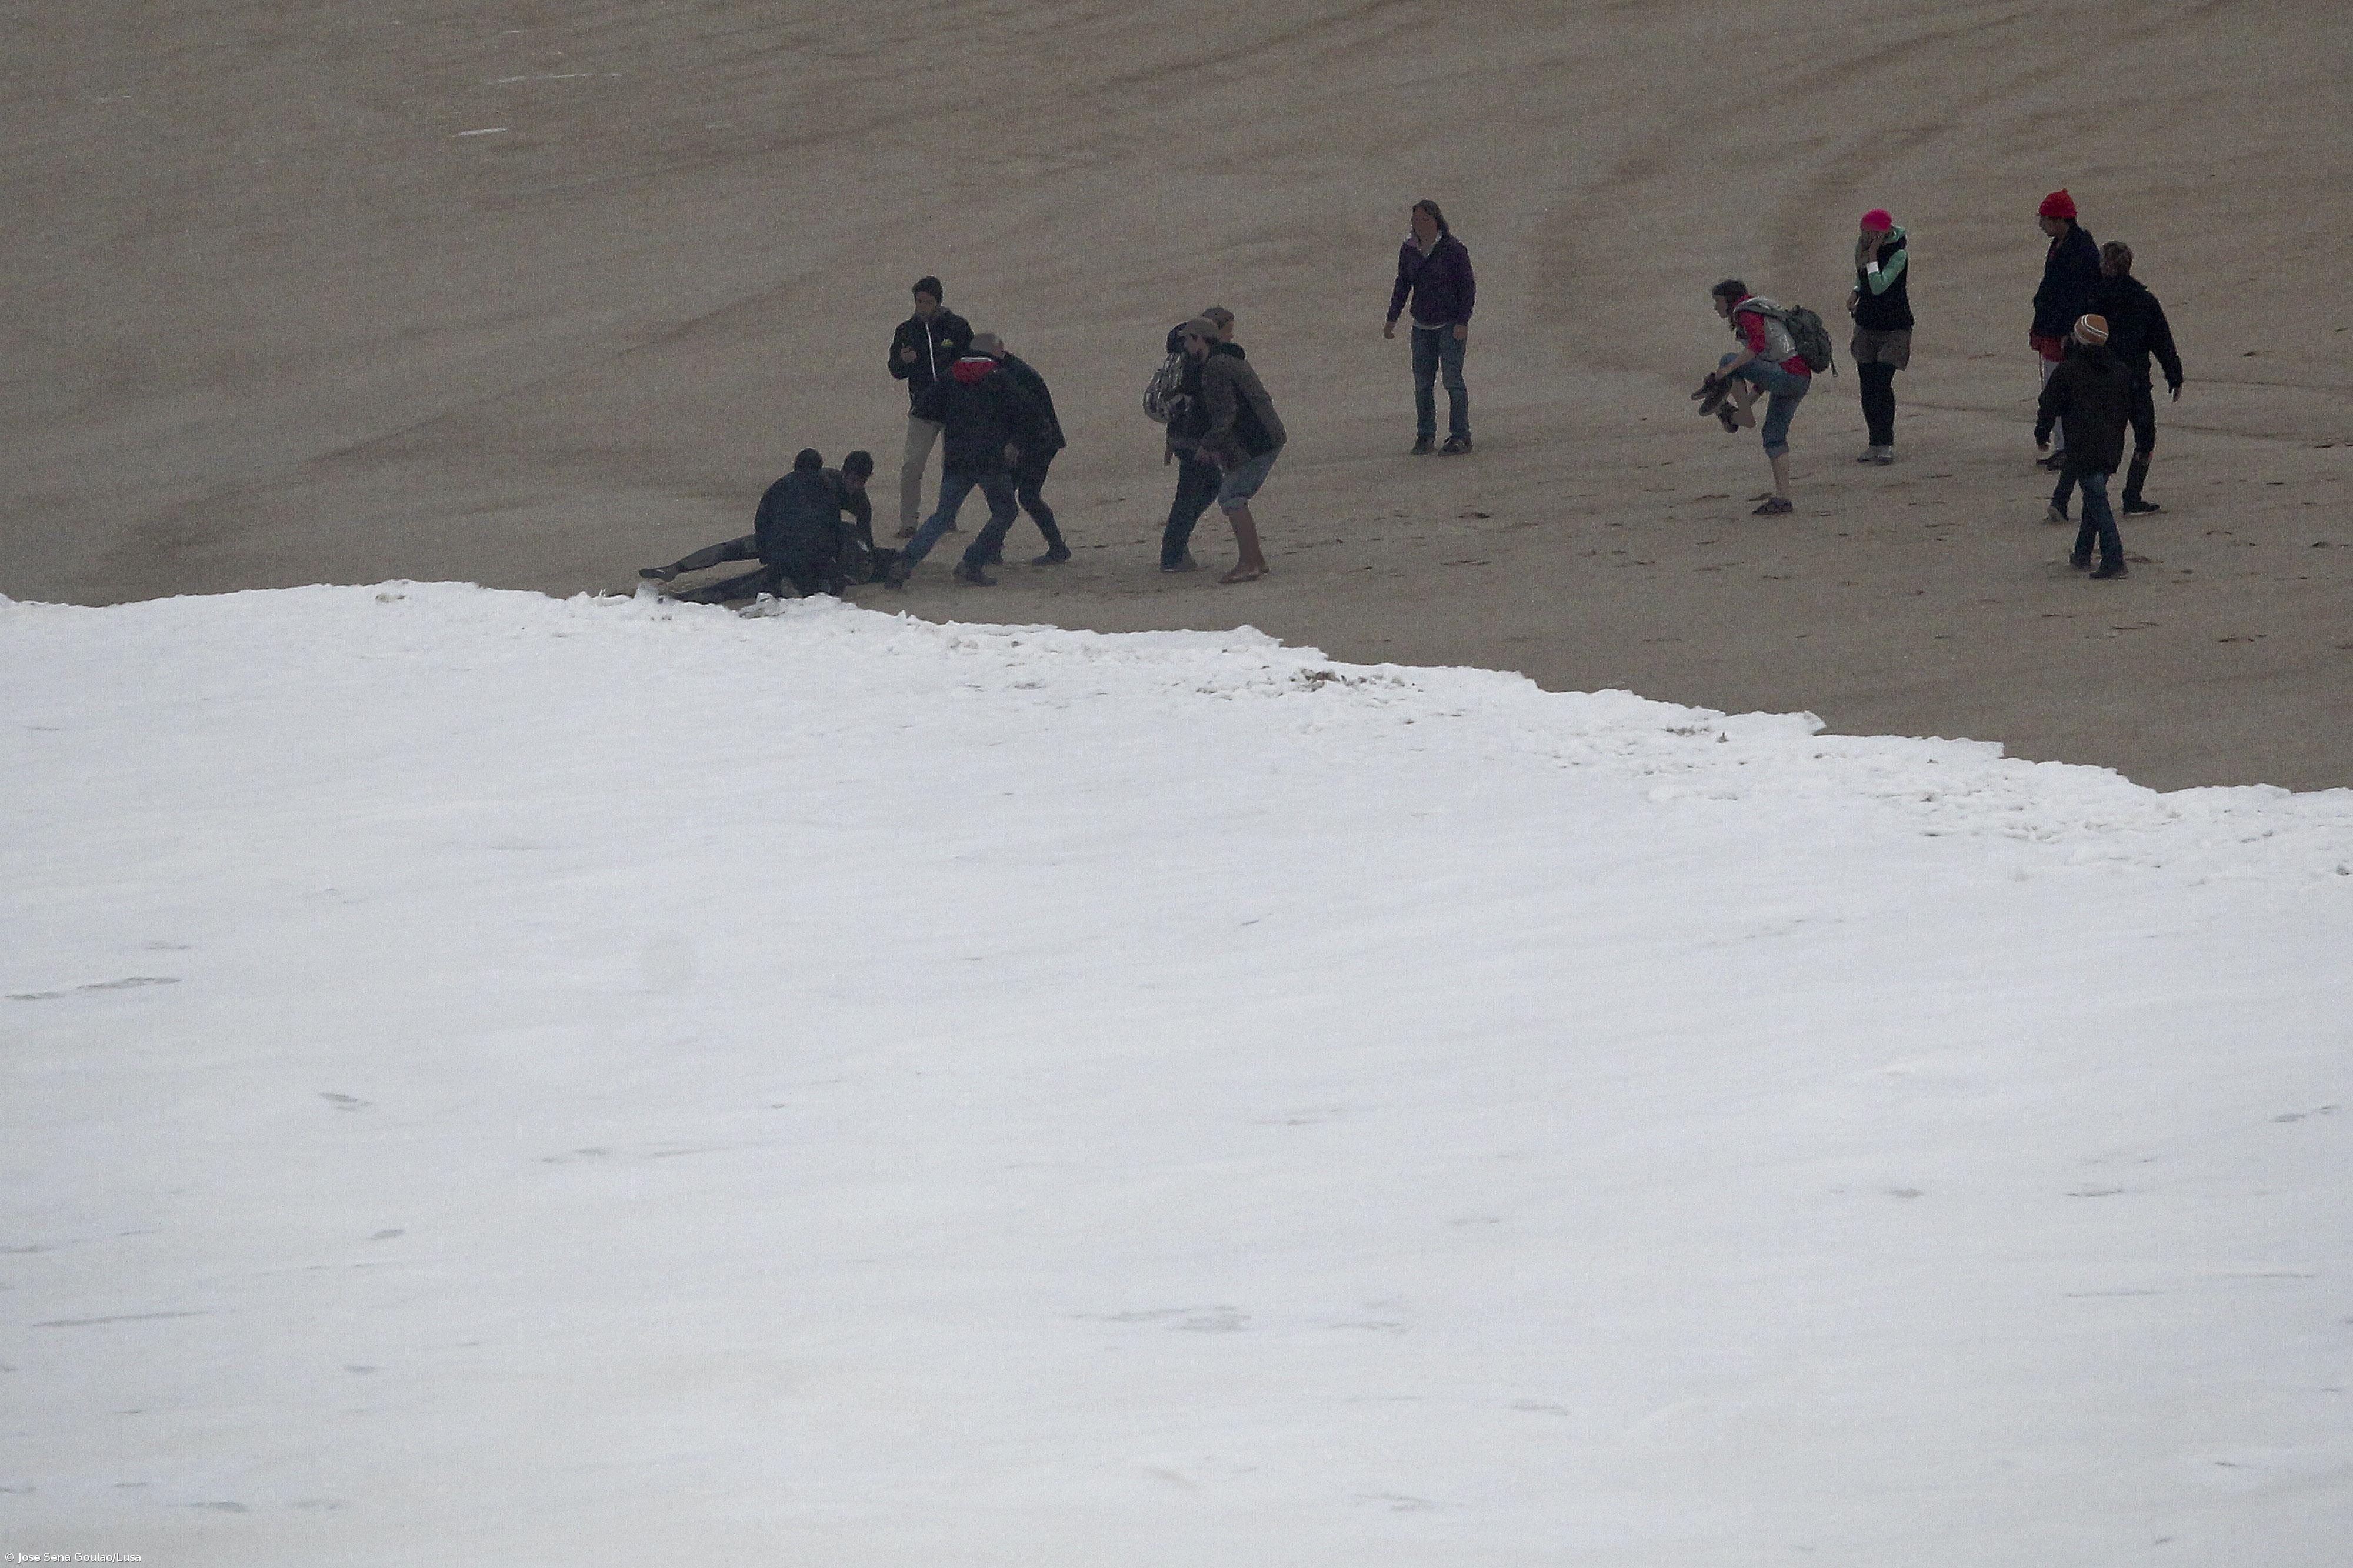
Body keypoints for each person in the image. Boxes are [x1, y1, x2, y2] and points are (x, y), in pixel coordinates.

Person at [887, 333, 1047, 588]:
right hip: (990, 459)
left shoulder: (950, 376)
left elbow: (923, 406)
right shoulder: (999, 377)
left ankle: (904, 563)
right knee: (1005, 512)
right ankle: (972, 563)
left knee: (942, 515)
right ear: (993, 353)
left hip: (956, 457)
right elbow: (1029, 413)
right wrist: (1014, 443)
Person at [639, 450, 876, 600]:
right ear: (843, 472)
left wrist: (765, 541)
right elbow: (832, 532)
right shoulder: (825, 487)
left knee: (730, 554)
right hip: (791, 546)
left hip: (778, 539)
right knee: (738, 578)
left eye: (859, 482)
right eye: (852, 479)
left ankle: (678, 577)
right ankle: (678, 585)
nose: (854, 485)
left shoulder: (797, 483)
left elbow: (765, 512)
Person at [1699, 279, 1811, 515]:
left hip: (1787, 376)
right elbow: (1771, 359)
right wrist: (1750, 400)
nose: (1715, 307)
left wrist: (1728, 372)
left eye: (1718, 302)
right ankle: (1783, 498)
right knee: (1773, 435)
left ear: (1729, 301)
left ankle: (1727, 407)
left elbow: (1758, 347)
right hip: (1798, 379)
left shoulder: (1746, 313)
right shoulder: (1760, 309)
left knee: (1729, 361)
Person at [2035, 314, 2132, 579]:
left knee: (2098, 502)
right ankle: (2082, 554)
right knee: (2094, 498)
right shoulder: (2119, 369)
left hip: (2082, 446)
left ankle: (2114, 558)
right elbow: (2130, 406)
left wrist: (2041, 435)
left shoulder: (2069, 371)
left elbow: (2049, 404)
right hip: (2112, 445)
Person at [2091, 242, 2185, 515]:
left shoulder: (2093, 299)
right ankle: (2132, 497)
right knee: (2145, 439)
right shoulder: (2144, 301)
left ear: (2105, 266)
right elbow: (2162, 342)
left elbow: (2079, 339)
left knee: (2103, 442)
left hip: (2103, 381)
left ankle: (2090, 497)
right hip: (2135, 383)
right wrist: (2175, 375)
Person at [1194, 316, 1285, 582]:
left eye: (1189, 340)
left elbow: (1226, 414)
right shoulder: (1229, 359)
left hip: (1258, 440)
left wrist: (1208, 445)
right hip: (1265, 437)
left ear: (1201, 339)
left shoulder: (1216, 366)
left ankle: (1250, 563)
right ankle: (1255, 560)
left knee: (1232, 497)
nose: (1187, 348)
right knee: (1233, 496)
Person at [1383, 199, 1475, 455]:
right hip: (1422, 327)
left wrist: (1462, 321)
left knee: (1453, 381)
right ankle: (1425, 436)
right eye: (1416, 221)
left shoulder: (1454, 250)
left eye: (1425, 220)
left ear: (1437, 221)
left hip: (1449, 326)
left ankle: (1460, 435)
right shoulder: (1409, 250)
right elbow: (1403, 284)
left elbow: (1467, 288)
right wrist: (1393, 317)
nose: (1420, 225)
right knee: (1423, 384)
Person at [886, 276, 973, 538]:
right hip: (923, 409)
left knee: (953, 465)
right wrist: (904, 361)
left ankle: (948, 517)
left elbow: (972, 361)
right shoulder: (906, 331)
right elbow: (895, 370)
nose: (922, 307)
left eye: (928, 302)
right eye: (919, 301)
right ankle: (909, 522)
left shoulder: (957, 327)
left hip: (955, 410)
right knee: (912, 465)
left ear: (939, 302)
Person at [974, 337, 1071, 566]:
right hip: (1034, 440)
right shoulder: (1007, 370)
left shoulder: (1013, 374)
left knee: (1023, 495)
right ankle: (997, 549)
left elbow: (1029, 415)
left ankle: (1056, 547)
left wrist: (1016, 443)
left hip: (1039, 442)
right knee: (1011, 495)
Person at [2030, 190, 2101, 471]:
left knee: (2061, 390)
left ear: (2060, 220)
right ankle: (2064, 446)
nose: (2041, 224)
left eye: (2045, 218)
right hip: (2055, 329)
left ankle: (2069, 448)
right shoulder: (2063, 244)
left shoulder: (2080, 251)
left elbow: (2080, 297)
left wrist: (2069, 332)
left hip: (2067, 333)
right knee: (2054, 388)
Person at [1847, 208, 1912, 465]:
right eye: (1862, 233)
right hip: (1867, 324)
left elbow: (1879, 285)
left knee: (1882, 383)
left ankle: (1886, 443)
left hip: (1895, 328)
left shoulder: (1899, 254)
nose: (1863, 238)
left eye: (1868, 234)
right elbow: (1861, 277)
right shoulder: (1861, 246)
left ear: (1881, 233)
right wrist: (1855, 291)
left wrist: (1873, 257)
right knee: (1867, 385)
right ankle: (1874, 441)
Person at [1158, 319, 1224, 573]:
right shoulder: (1198, 369)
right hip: (1195, 443)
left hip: (1185, 440)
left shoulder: (1183, 370)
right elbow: (1200, 411)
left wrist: (1170, 442)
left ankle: (1176, 545)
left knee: (1204, 489)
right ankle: (1173, 552)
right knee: (1191, 495)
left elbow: (1175, 410)